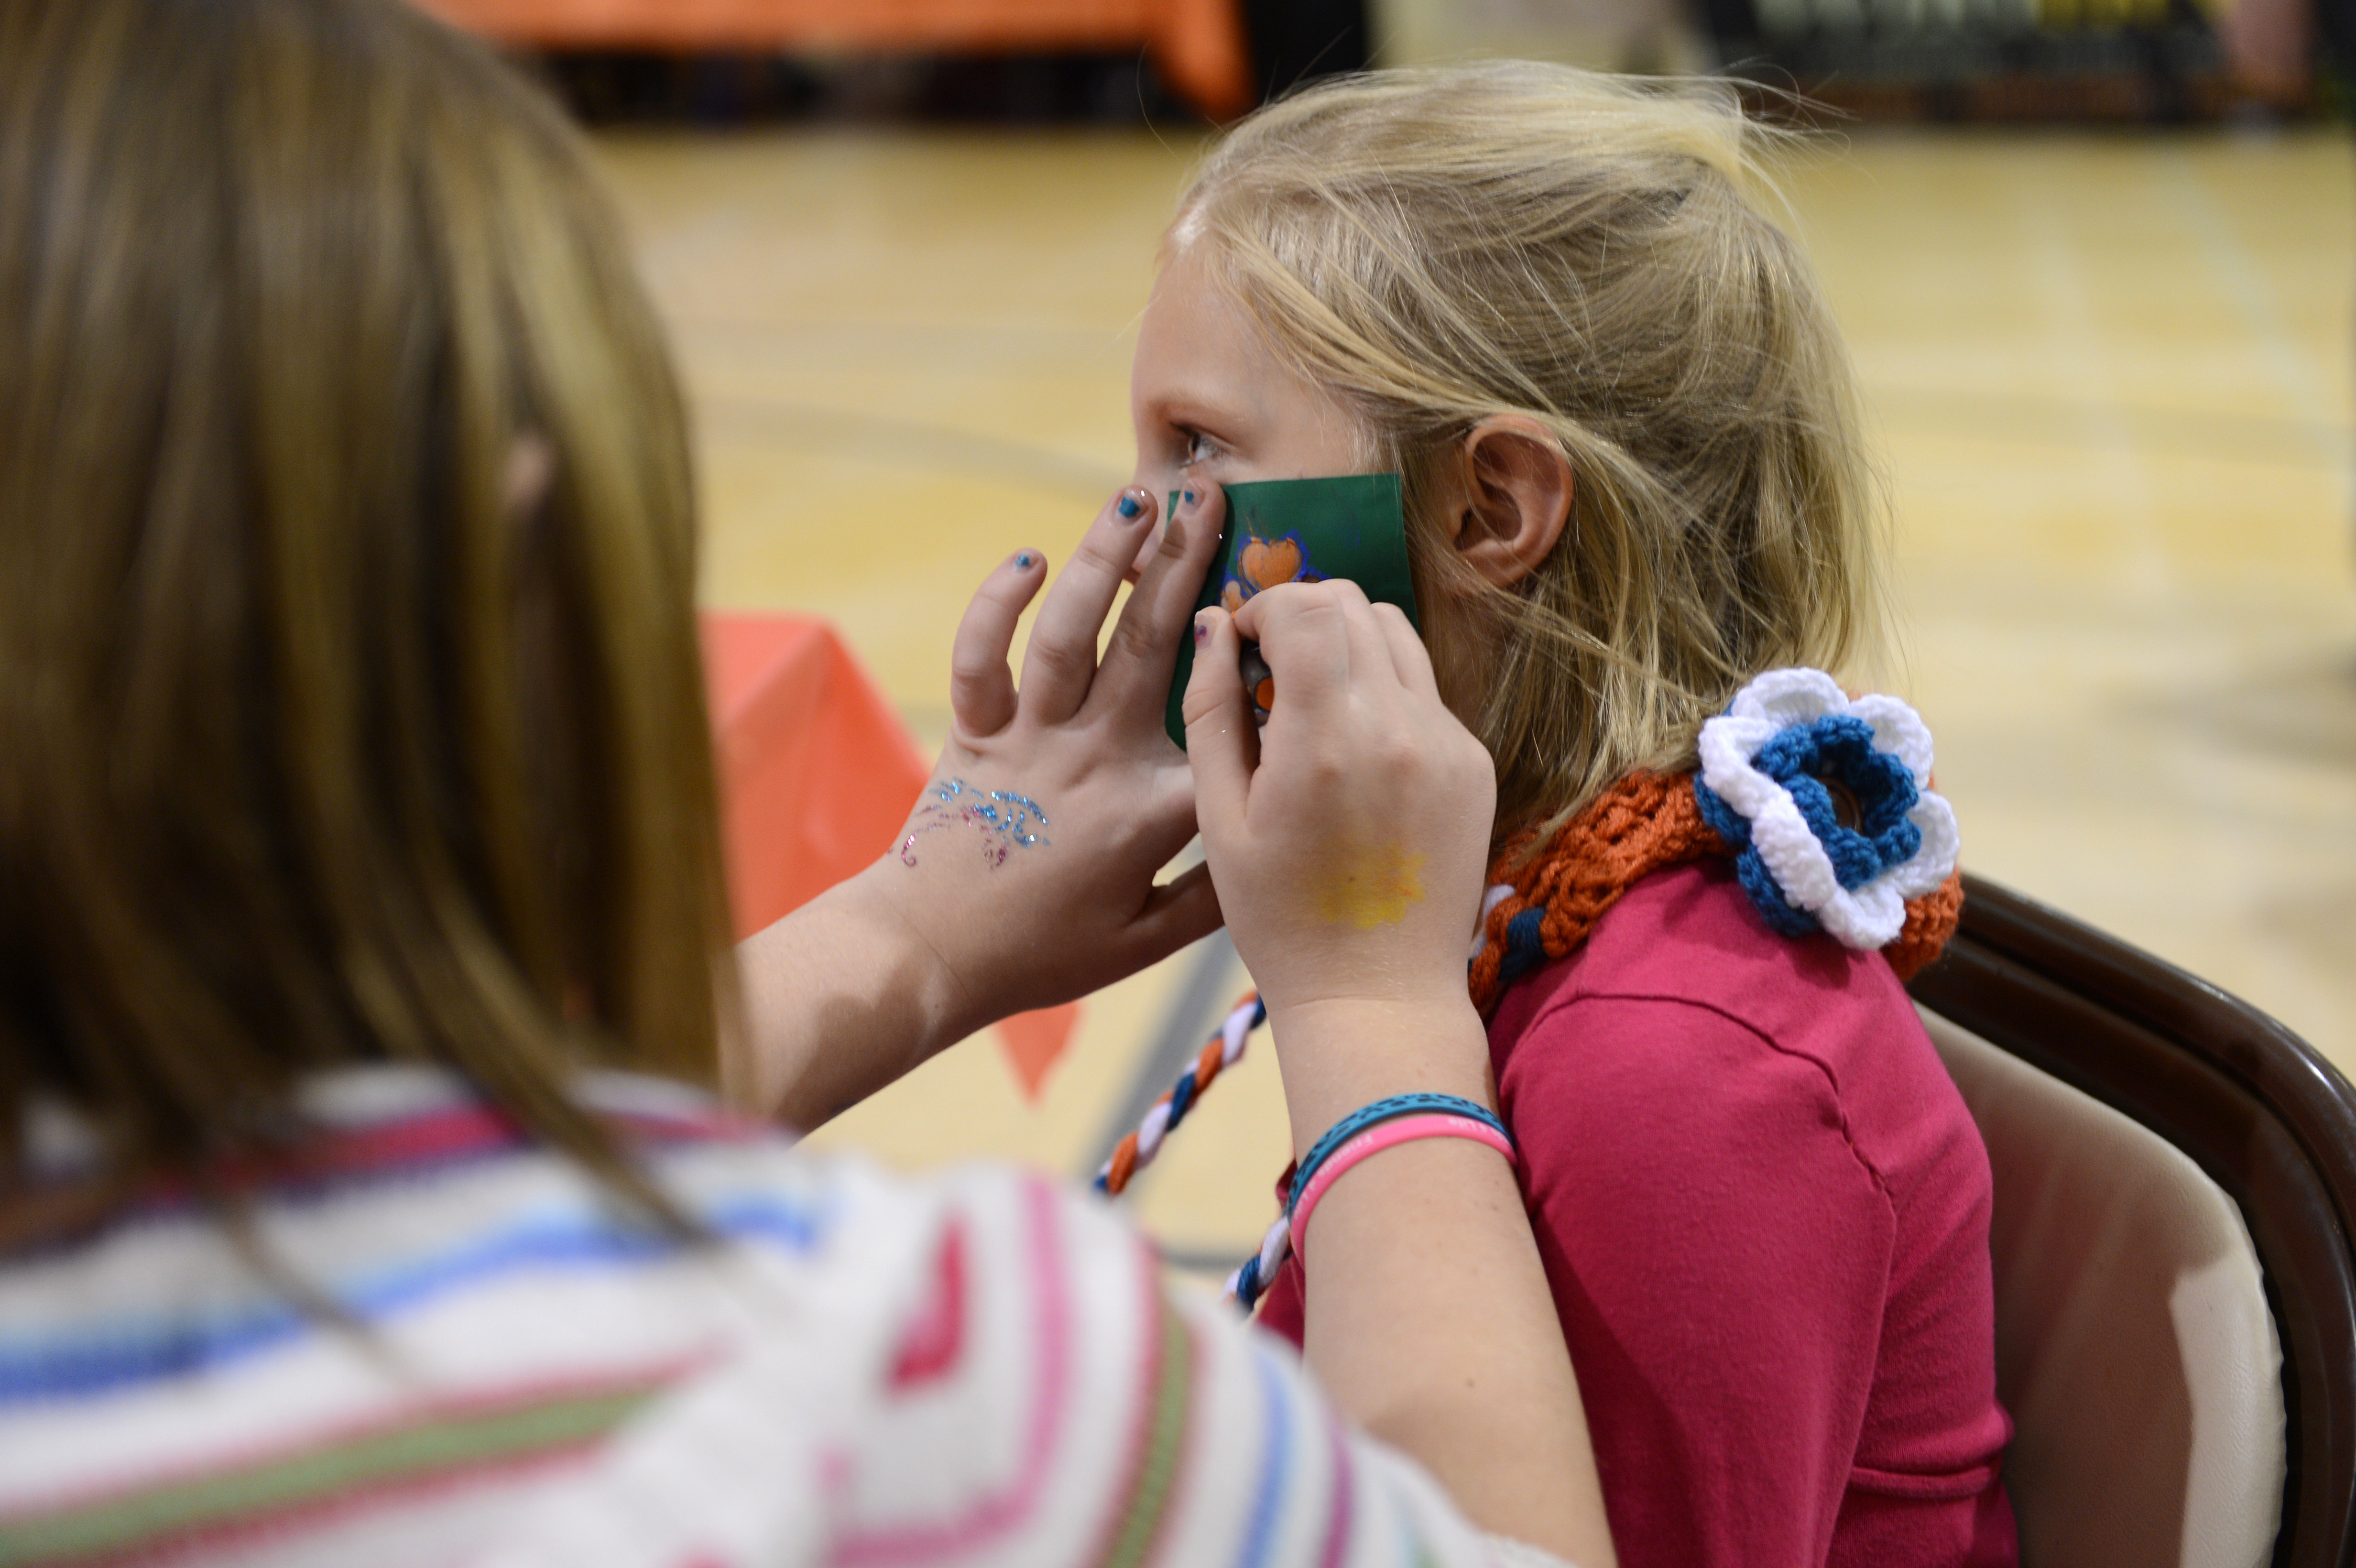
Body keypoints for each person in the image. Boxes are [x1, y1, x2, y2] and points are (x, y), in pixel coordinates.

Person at [0, 4, 1618, 1566]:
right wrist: (1373, 1011)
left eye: (1197, 450)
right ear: (524, 556)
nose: (1143, 526)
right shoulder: (918, 1396)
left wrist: (917, 933)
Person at [1123, 65, 2018, 1568]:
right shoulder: (1483, 911)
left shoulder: (1674, 1074)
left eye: (1198, 447)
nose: (1140, 529)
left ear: (1490, 511)